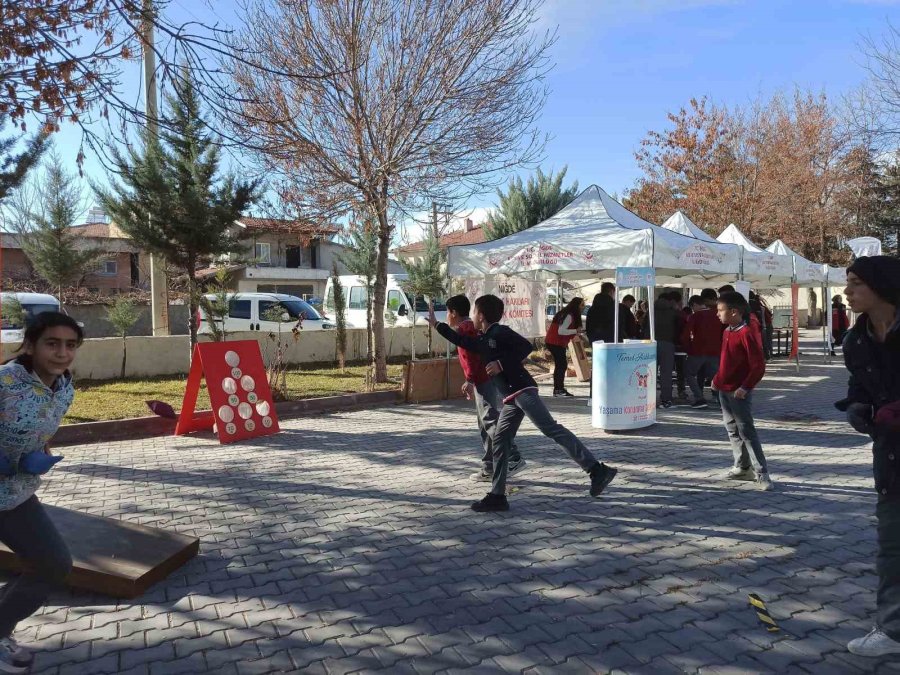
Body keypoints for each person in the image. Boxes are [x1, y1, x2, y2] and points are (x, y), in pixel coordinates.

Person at [430, 295, 617, 512]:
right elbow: (461, 340)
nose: (472, 316)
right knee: (500, 440)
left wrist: (501, 363)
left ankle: (596, 470)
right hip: (511, 398)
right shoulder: (484, 338)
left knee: (551, 429)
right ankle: (497, 496)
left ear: (481, 315)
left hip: (523, 390)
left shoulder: (500, 332)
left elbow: (525, 347)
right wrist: (437, 325)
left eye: (474, 312)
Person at [0, 312, 83, 672]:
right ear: (31, 345)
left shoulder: (64, 387)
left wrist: (41, 451)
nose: (62, 352)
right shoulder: (3, 383)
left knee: (53, 564)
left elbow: (40, 429)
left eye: (70, 345)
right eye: (52, 343)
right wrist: (9, 462)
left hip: (16, 496)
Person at [836, 256, 900, 657]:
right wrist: (858, 407)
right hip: (891, 457)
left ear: (882, 286)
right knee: (892, 543)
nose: (848, 291)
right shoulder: (854, 340)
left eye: (856, 283)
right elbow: (858, 386)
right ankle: (892, 629)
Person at [444, 295, 525, 482]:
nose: (447, 317)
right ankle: (489, 466)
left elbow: (472, 358)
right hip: (485, 379)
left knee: (489, 421)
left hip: (481, 380)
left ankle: (513, 454)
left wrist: (470, 380)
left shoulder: (464, 331)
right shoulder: (470, 328)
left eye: (448, 313)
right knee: (484, 424)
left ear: (454, 313)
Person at [711, 292, 773, 490]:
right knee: (732, 430)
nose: (717, 314)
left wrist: (745, 387)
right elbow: (725, 360)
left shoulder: (747, 332)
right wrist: (717, 379)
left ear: (734, 311)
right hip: (724, 390)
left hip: (738, 392)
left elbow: (758, 365)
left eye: (720, 310)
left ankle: (762, 474)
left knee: (747, 431)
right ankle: (742, 467)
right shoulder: (726, 331)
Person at [682, 289, 726, 409]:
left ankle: (699, 398)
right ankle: (721, 399)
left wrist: (687, 348)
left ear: (694, 305)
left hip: (697, 351)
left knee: (689, 373)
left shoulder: (695, 316)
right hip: (715, 351)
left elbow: (686, 335)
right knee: (715, 376)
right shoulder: (717, 314)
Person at [643, 291, 681, 409]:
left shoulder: (650, 311)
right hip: (668, 344)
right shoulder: (673, 312)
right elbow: (678, 329)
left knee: (649, 373)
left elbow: (644, 327)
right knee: (666, 373)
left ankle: (648, 399)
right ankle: (666, 400)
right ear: (670, 301)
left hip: (650, 344)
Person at [545, 297, 585, 397]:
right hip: (555, 342)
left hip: (554, 342)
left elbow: (564, 330)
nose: (583, 307)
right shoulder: (569, 315)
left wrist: (576, 334)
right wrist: (576, 331)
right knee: (561, 365)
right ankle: (558, 390)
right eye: (582, 305)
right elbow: (561, 331)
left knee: (561, 365)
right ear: (576, 306)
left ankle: (558, 389)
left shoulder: (567, 314)